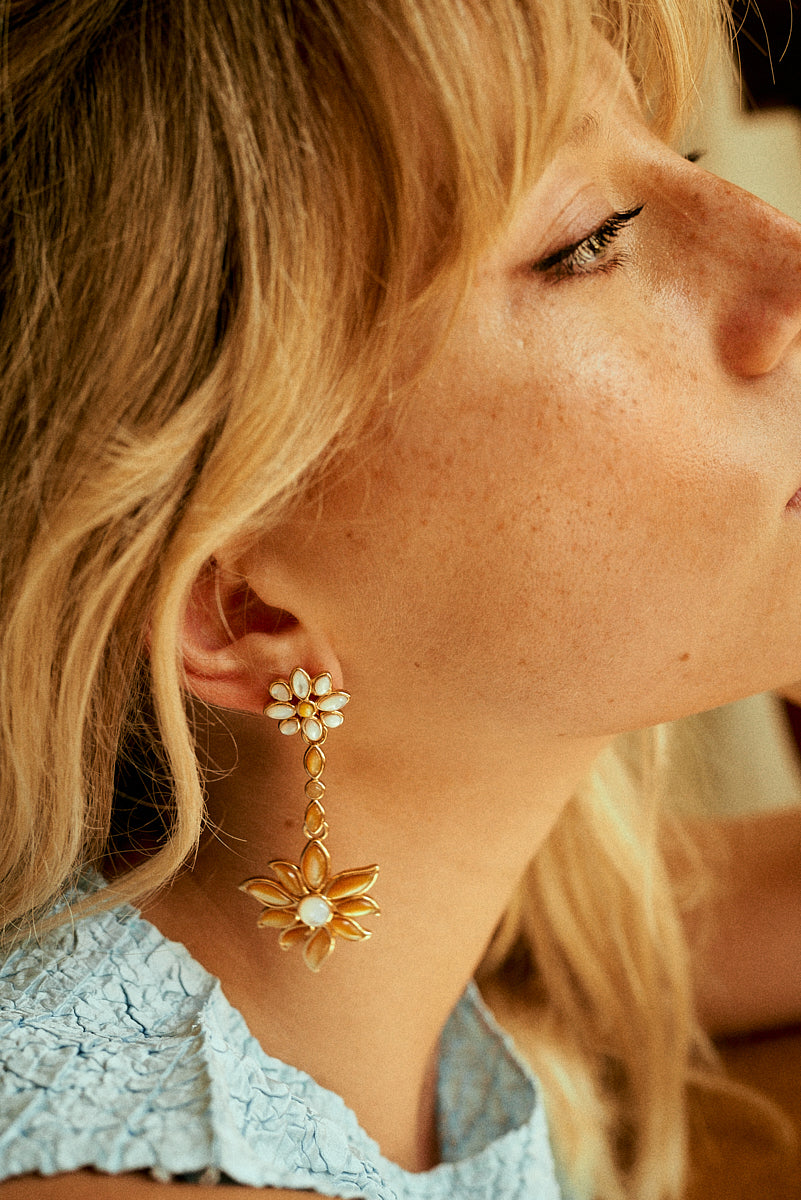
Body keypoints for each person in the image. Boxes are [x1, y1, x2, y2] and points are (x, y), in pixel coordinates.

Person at [3, 1, 801, 1197]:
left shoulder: (450, 942)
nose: (785, 255)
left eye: (675, 156)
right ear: (244, 614)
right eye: (591, 238)